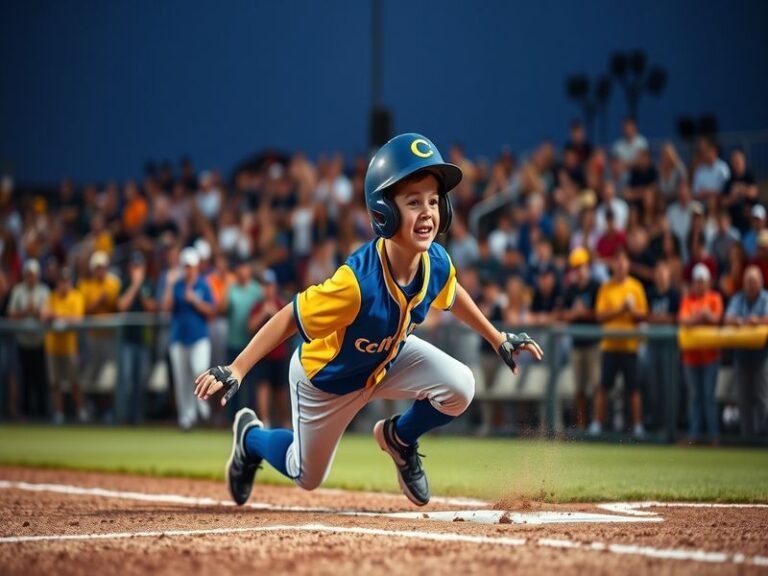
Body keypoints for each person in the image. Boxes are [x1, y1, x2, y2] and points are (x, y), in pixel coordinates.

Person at [193, 134, 543, 506]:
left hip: (385, 360)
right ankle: (250, 438)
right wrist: (238, 367)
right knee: (306, 475)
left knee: (461, 386)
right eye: (412, 203)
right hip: (327, 381)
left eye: (432, 201)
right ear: (384, 213)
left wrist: (496, 336)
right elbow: (288, 318)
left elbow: (452, 295)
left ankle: (398, 438)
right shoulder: (356, 284)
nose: (427, 211)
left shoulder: (435, 261)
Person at [590, 250, 648, 438]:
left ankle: (638, 426)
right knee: (603, 386)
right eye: (618, 262)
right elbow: (599, 316)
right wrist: (620, 310)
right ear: (614, 265)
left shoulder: (636, 287)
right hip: (610, 345)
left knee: (634, 388)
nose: (621, 266)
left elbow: (643, 315)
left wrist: (630, 312)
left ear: (628, 265)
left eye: (624, 262)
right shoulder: (606, 287)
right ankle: (597, 424)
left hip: (630, 346)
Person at [163, 247, 216, 430]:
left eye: (191, 266)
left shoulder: (203, 284)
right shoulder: (176, 285)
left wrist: (194, 300)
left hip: (199, 336)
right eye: (186, 266)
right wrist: (169, 285)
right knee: (181, 378)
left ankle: (201, 405)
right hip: (178, 336)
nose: (189, 270)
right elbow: (166, 307)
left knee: (199, 370)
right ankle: (186, 416)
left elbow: (212, 310)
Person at [679, 264, 724, 444]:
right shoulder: (688, 300)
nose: (699, 285)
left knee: (709, 397)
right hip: (691, 358)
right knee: (695, 398)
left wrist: (702, 317)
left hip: (711, 357)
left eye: (702, 282)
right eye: (697, 282)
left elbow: (717, 319)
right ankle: (693, 436)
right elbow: (683, 320)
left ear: (708, 283)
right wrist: (701, 317)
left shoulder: (714, 298)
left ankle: (714, 437)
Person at [558, 248, 601, 429]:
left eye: (581, 266)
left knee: (597, 386)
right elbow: (562, 314)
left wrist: (584, 313)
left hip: (594, 343)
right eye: (575, 267)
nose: (578, 270)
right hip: (577, 344)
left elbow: (602, 314)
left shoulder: (596, 286)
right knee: (579, 389)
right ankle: (581, 426)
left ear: (588, 266)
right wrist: (574, 314)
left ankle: (597, 425)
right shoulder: (571, 289)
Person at [724, 266, 768, 438]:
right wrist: (742, 321)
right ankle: (747, 438)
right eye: (748, 282)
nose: (750, 285)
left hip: (762, 356)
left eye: (754, 281)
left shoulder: (765, 298)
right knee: (743, 400)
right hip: (741, 357)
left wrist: (757, 321)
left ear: (761, 283)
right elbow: (728, 319)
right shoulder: (738, 298)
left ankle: (764, 438)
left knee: (763, 399)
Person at [40, 268, 87, 424]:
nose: (64, 284)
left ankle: (81, 411)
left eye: (66, 281)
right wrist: (54, 316)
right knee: (55, 383)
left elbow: (78, 319)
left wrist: (57, 316)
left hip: (69, 347)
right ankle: (59, 413)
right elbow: (43, 315)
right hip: (52, 346)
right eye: (61, 281)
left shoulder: (76, 296)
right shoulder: (52, 297)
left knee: (74, 381)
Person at [116, 251, 157, 424]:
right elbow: (122, 306)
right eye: (134, 266)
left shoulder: (148, 284)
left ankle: (138, 416)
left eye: (139, 266)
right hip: (126, 339)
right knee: (126, 378)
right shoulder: (125, 283)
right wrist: (134, 285)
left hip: (143, 339)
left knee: (140, 379)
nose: (137, 270)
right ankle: (123, 416)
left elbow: (152, 307)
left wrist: (140, 287)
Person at [7, 260, 50, 419]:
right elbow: (11, 314)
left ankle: (42, 414)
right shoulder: (18, 290)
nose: (31, 278)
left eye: (33, 275)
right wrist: (26, 311)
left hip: (39, 341)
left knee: (40, 378)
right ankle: (24, 413)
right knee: (23, 379)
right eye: (28, 275)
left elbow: (47, 313)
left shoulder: (44, 290)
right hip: (22, 341)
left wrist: (37, 311)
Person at [248, 269, 290, 428]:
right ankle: (264, 423)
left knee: (281, 392)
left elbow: (290, 329)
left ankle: (286, 423)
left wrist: (274, 315)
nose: (267, 289)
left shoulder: (282, 305)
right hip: (263, 355)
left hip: (279, 355)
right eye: (265, 285)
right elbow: (250, 328)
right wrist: (263, 314)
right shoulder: (257, 307)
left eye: (270, 285)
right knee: (262, 388)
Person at [223, 257, 263, 414]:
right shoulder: (231, 288)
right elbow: (222, 309)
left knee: (252, 385)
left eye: (244, 267)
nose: (242, 271)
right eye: (239, 268)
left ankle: (250, 416)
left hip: (252, 344)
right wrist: (226, 286)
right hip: (234, 342)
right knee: (232, 382)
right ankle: (231, 418)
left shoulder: (256, 290)